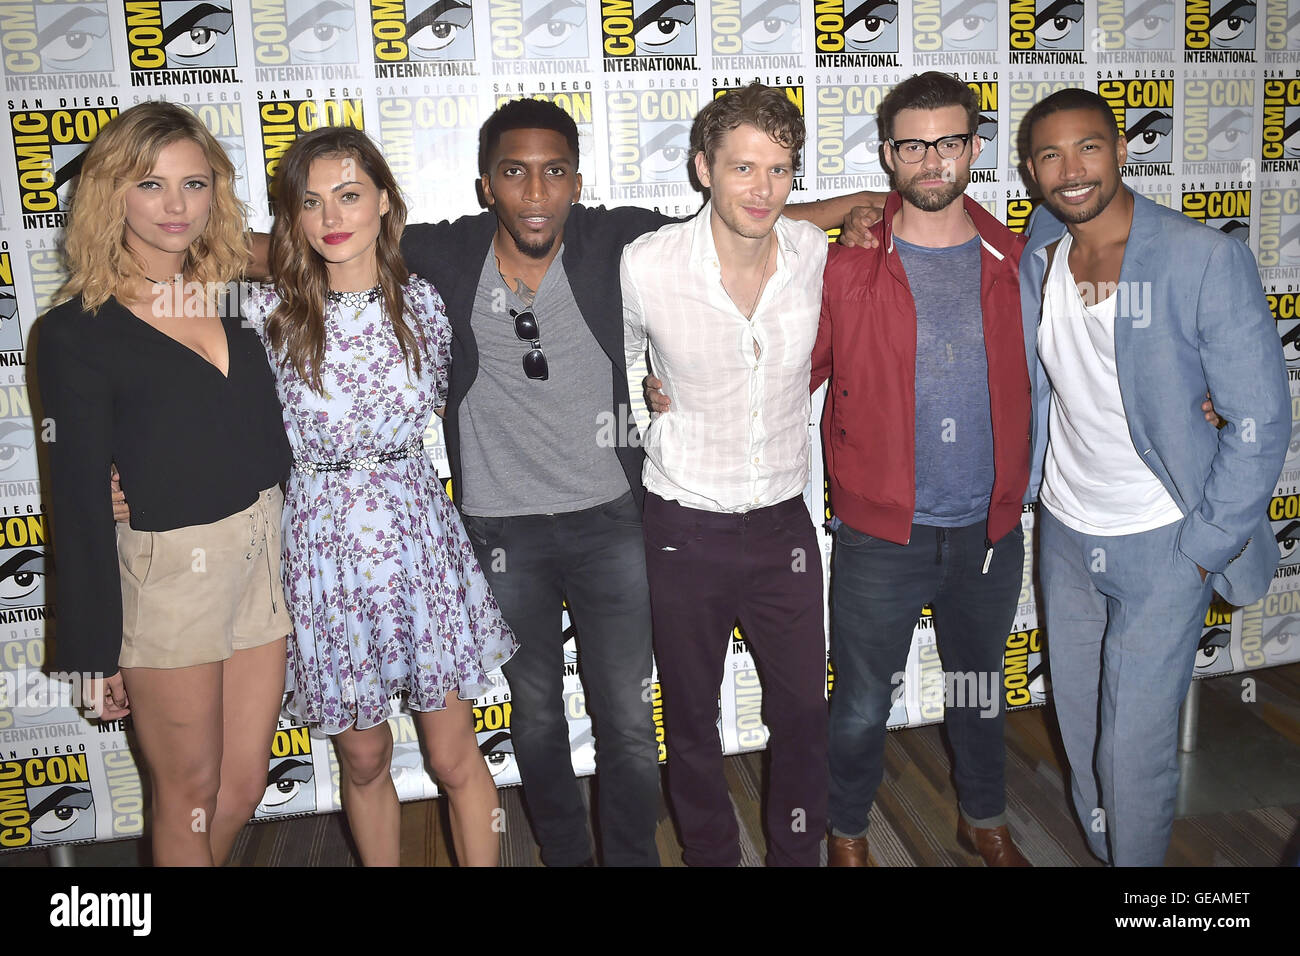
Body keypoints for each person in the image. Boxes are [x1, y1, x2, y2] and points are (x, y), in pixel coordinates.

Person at [383, 97, 880, 867]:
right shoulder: (448, 255)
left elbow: (750, 211)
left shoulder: (616, 240)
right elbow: (318, 243)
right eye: (515, 172)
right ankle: (567, 855)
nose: (537, 192)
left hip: (614, 520)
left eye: (555, 173)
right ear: (487, 184)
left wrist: (861, 204)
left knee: (625, 715)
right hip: (501, 528)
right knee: (539, 714)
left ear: (578, 182)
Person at [1018, 88, 1288, 866]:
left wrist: (1204, 546)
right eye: (1050, 155)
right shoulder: (1044, 241)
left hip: (1164, 538)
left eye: (1088, 148)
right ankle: (1107, 854)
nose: (1071, 170)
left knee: (1131, 749)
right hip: (1068, 533)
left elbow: (1261, 422)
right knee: (1080, 728)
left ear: (1122, 151)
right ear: (1033, 172)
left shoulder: (1200, 257)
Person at [242, 126, 517, 866]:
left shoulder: (427, 305)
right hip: (323, 554)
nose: (332, 214)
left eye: (350, 194)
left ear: (385, 202)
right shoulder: (269, 319)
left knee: (456, 756)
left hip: (417, 544)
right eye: (311, 201)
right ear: (293, 217)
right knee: (362, 761)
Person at [36, 101, 292, 866]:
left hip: (263, 543)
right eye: (150, 184)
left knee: (243, 784)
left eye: (196, 183)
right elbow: (79, 503)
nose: (177, 206)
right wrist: (96, 653)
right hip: (170, 570)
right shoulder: (76, 329)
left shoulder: (233, 291)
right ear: (110, 192)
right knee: (189, 793)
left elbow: (316, 249)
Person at [811, 72, 1033, 867]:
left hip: (989, 529)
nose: (932, 159)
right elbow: (781, 372)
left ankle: (985, 817)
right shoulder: (848, 266)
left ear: (974, 149)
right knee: (864, 701)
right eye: (914, 144)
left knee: (981, 689)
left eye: (948, 142)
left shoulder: (1020, 257)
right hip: (880, 532)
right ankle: (846, 831)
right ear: (888, 155)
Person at [621, 83, 830, 867]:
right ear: (704, 168)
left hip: (784, 525)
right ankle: (712, 855)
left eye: (779, 170)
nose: (763, 189)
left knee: (805, 711)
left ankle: (797, 856)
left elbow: (842, 216)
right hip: (682, 526)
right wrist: (648, 408)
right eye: (744, 168)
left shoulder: (811, 251)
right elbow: (610, 362)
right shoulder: (646, 266)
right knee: (692, 718)